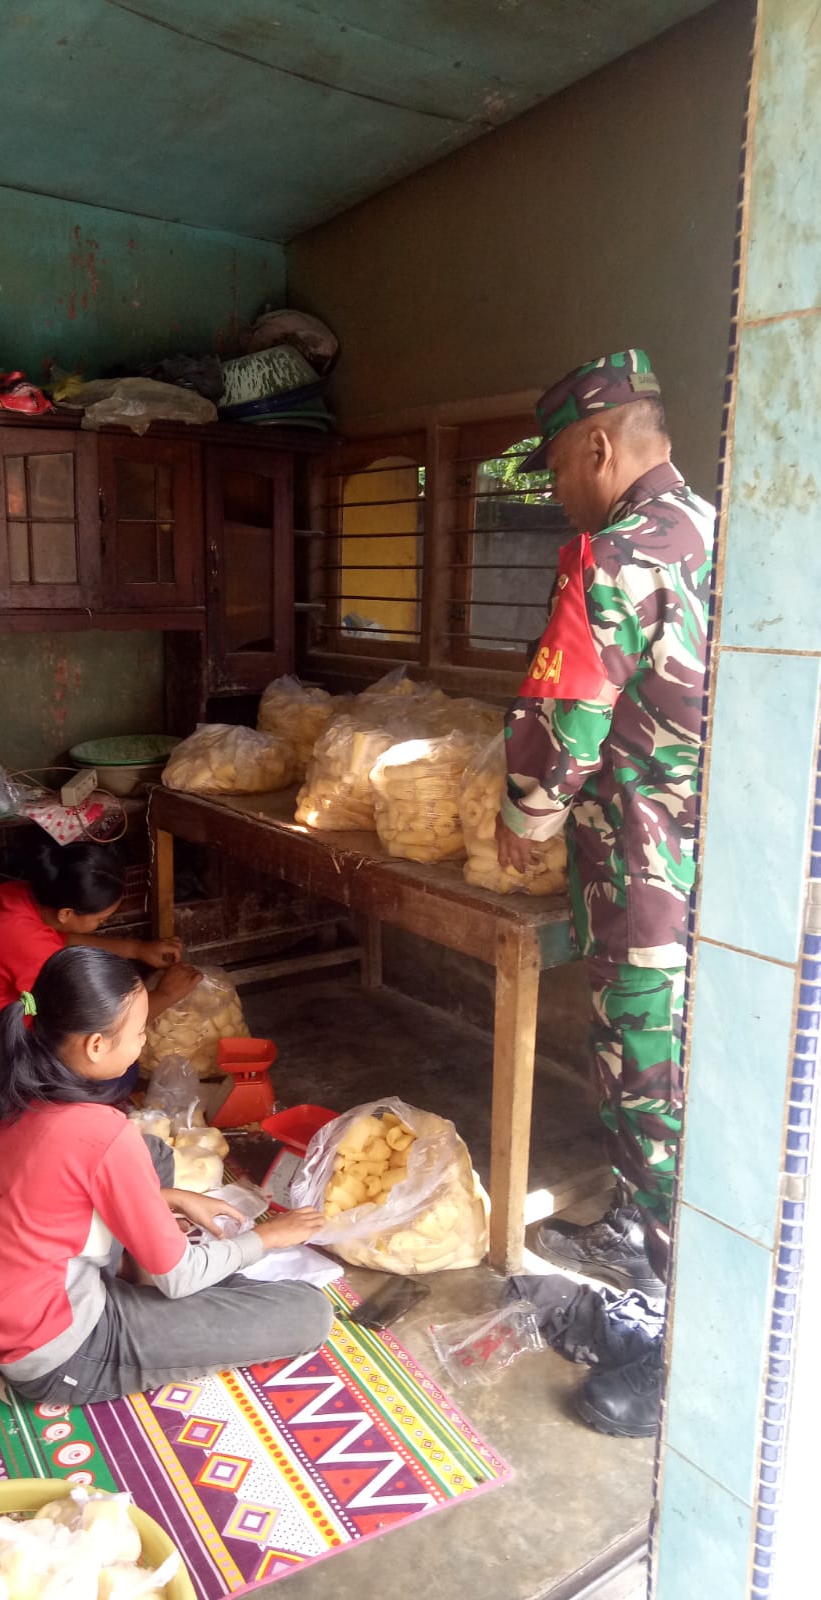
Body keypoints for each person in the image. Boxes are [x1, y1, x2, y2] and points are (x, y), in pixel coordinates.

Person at [495, 350, 713, 1436]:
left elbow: (566, 716)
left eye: (555, 469)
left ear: (597, 445)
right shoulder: (719, 532)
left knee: (655, 1103)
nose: (557, 492)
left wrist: (524, 819)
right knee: (668, 1082)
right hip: (719, 876)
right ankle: (633, 1232)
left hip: (646, 880)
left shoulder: (617, 554)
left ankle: (684, 1360)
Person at [0, 946, 332, 1403]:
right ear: (96, 1045)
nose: (144, 1042)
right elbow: (180, 1278)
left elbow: (51, 1190)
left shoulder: (9, 1091)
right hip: (56, 1351)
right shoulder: (99, 1132)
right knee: (308, 1312)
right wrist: (268, 1237)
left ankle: (147, 1274)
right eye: (141, 1030)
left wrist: (170, 1197)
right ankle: (152, 1285)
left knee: (151, 1153)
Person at [0, 836, 198, 1144]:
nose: (102, 923)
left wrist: (136, 949)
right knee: (115, 1073)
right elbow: (100, 1032)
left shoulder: (16, 896)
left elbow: (59, 940)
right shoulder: (24, 945)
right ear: (66, 913)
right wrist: (166, 995)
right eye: (101, 919)